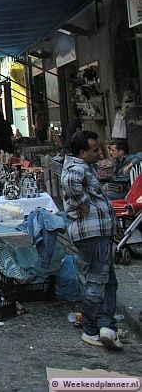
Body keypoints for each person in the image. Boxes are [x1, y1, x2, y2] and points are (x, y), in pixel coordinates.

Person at [62, 131, 121, 350]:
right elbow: (71, 187)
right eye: (94, 150)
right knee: (97, 281)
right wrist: (87, 205)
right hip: (91, 233)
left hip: (98, 232)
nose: (99, 153)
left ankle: (106, 325)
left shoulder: (85, 167)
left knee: (107, 281)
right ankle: (90, 327)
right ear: (81, 152)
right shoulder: (76, 169)